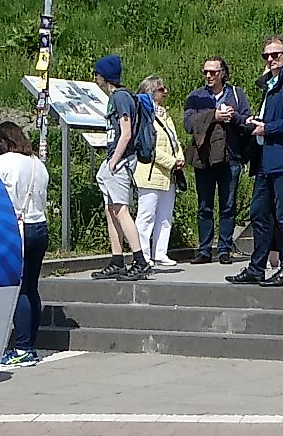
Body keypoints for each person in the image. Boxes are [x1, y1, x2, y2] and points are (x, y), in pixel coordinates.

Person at [230, 37, 283, 287]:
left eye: (275, 55)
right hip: (267, 159)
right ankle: (257, 267)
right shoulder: (272, 83)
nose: (270, 59)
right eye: (266, 56)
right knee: (258, 213)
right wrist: (258, 122)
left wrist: (269, 128)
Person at [0, 122, 50, 368]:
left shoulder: (3, 163)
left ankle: (22, 348)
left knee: (19, 289)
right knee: (31, 286)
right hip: (40, 227)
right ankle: (30, 344)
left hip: (17, 229)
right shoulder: (38, 164)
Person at [183, 56, 251, 264]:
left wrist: (233, 118)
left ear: (223, 73)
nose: (208, 75)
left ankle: (224, 249)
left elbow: (248, 122)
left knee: (228, 206)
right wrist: (213, 116)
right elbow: (188, 124)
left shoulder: (237, 96)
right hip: (204, 158)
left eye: (213, 71)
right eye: (205, 72)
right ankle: (204, 250)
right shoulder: (196, 97)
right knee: (204, 205)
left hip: (230, 157)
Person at [89, 55, 149, 281]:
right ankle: (117, 259)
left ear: (105, 75)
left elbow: (126, 133)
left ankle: (140, 259)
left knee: (121, 209)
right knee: (110, 208)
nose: (95, 77)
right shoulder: (116, 97)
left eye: (97, 73)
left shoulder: (121, 97)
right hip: (115, 159)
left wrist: (114, 160)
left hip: (120, 159)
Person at [132, 75, 184, 270]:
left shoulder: (165, 115)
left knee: (165, 215)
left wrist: (179, 157)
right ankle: (143, 254)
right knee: (146, 216)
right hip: (150, 172)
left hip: (168, 174)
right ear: (151, 91)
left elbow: (173, 140)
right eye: (162, 89)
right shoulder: (144, 115)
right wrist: (172, 161)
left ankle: (160, 252)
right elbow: (149, 146)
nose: (166, 92)